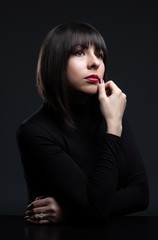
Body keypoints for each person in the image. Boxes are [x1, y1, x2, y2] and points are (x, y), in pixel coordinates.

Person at [16, 22, 149, 225]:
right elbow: (97, 207)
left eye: (100, 55)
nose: (94, 63)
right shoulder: (34, 131)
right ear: (55, 63)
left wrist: (70, 212)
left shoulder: (111, 112)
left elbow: (141, 195)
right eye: (79, 53)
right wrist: (113, 129)